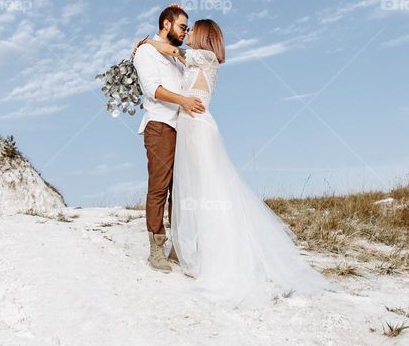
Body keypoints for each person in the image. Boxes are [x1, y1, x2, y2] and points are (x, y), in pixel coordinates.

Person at [137, 17, 334, 306]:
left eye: (192, 30)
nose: (187, 33)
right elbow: (166, 62)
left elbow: (169, 50)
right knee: (191, 188)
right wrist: (150, 45)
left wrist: (145, 41)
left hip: (195, 128)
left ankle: (205, 252)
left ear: (203, 37)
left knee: (203, 189)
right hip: (188, 126)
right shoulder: (197, 60)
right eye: (184, 27)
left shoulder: (200, 57)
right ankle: (180, 247)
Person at [131, 4, 205, 273]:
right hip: (160, 126)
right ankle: (155, 248)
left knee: (181, 189)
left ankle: (179, 246)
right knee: (159, 187)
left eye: (187, 28)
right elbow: (153, 89)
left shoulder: (173, 56)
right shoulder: (146, 52)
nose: (186, 31)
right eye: (183, 26)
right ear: (166, 25)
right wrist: (183, 100)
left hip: (181, 127)